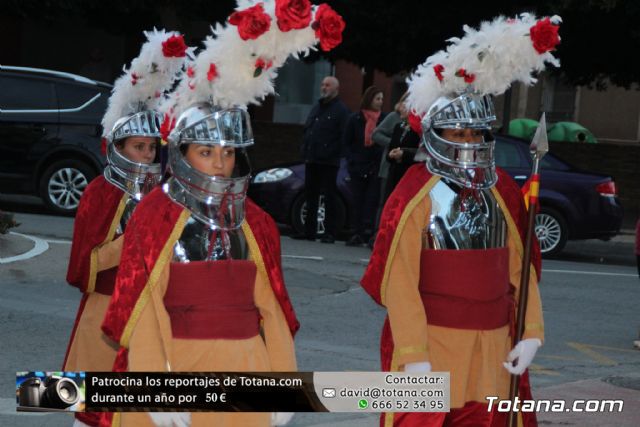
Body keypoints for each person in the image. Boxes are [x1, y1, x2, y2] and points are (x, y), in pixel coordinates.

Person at [100, 3, 344, 426]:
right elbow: (141, 305)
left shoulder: (258, 223)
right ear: (182, 153)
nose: (219, 163)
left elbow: (272, 309)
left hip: (245, 372)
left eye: (228, 152)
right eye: (207, 151)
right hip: (176, 366)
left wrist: (285, 384)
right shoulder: (155, 214)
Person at [361, 14, 561, 426]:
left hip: (492, 346)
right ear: (436, 135)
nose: (468, 143)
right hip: (434, 344)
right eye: (457, 134)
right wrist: (414, 354)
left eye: (476, 135)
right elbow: (398, 282)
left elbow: (521, 270)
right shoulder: (413, 193)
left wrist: (531, 332)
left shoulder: (503, 188)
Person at [63, 29, 188, 427]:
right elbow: (83, 270)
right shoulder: (100, 194)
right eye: (139, 147)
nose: (148, 155)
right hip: (102, 314)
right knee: (92, 414)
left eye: (152, 148)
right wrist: (129, 238)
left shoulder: (164, 194)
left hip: (150, 318)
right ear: (117, 148)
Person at [298, 76, 349, 243]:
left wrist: (331, 152)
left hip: (328, 161)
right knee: (310, 194)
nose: (323, 87)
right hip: (312, 158)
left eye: (327, 85)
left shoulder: (341, 110)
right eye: (322, 84)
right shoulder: (317, 107)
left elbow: (343, 137)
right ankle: (309, 231)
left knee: (329, 196)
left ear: (336, 89)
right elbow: (309, 130)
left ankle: (330, 232)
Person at [344, 86, 386, 246]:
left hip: (375, 166)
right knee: (357, 200)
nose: (380, 102)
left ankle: (369, 232)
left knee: (372, 200)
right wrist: (352, 160)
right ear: (369, 99)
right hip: (358, 166)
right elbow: (347, 143)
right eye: (377, 99)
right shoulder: (355, 119)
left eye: (382, 99)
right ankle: (357, 232)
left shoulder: (384, 119)